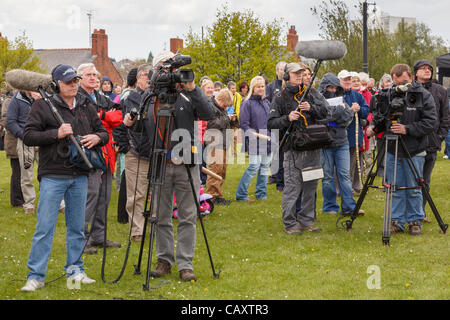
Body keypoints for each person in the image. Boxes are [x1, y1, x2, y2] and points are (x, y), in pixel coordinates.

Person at [123, 50, 215, 282]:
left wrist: (192, 87)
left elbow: (208, 112)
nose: (171, 70)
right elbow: (142, 128)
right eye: (165, 66)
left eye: (173, 65)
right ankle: (164, 259)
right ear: (156, 70)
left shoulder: (187, 94)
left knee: (187, 215)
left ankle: (186, 263)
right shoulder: (151, 97)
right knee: (161, 215)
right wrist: (131, 124)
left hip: (187, 162)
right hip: (160, 162)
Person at [20, 64, 109, 291]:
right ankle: (36, 275)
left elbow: (104, 132)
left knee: (77, 227)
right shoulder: (43, 105)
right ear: (57, 84)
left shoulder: (86, 105)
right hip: (53, 175)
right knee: (45, 227)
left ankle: (75, 269)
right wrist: (55, 134)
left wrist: (96, 138)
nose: (74, 85)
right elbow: (28, 135)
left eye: (76, 80)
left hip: (80, 175)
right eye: (69, 81)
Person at [367, 63, 436, 235]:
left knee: (414, 187)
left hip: (415, 148)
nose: (401, 87)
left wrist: (408, 129)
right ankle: (396, 221)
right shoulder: (389, 94)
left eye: (404, 82)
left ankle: (415, 220)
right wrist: (374, 128)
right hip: (392, 147)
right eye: (397, 83)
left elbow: (430, 122)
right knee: (394, 186)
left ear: (410, 78)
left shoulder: (422, 95)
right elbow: (382, 117)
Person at [267, 62, 329, 235]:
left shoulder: (311, 93)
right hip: (292, 151)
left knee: (310, 187)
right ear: (286, 76)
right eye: (296, 74)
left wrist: (312, 108)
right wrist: (287, 118)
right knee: (293, 188)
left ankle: (307, 220)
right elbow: (271, 123)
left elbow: (326, 112)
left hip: (313, 148)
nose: (299, 77)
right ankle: (290, 223)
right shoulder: (280, 97)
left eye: (301, 74)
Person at [77, 63, 123, 254]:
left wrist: (103, 116)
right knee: (90, 196)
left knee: (104, 196)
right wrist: (105, 120)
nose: (94, 78)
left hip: (107, 152)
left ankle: (98, 236)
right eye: (89, 75)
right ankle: (82, 239)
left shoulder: (102, 97)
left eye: (95, 75)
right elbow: (84, 123)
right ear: (79, 78)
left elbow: (119, 116)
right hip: (88, 153)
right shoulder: (77, 98)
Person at [319, 73, 363, 216]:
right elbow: (323, 118)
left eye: (334, 87)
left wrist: (338, 115)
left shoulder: (342, 98)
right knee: (328, 177)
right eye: (329, 87)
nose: (332, 90)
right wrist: (340, 112)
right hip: (325, 143)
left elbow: (346, 119)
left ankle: (349, 207)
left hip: (342, 142)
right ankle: (330, 206)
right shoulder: (319, 101)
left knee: (344, 175)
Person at [413, 60, 449, 222]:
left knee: (425, 180)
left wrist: (440, 136)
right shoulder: (410, 89)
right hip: (413, 142)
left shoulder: (440, 90)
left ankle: (420, 213)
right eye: (423, 69)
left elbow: (445, 117)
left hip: (432, 142)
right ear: (416, 72)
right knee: (412, 180)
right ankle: (410, 213)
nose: (427, 71)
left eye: (429, 69)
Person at [6, 90, 45, 214]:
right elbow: (10, 121)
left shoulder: (42, 98)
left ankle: (56, 202)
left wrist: (40, 101)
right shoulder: (16, 100)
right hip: (25, 141)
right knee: (26, 174)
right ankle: (29, 204)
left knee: (48, 172)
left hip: (42, 139)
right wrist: (23, 135)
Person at [235, 76, 272, 202]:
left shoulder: (266, 102)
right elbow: (244, 124)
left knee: (265, 166)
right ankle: (241, 194)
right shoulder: (247, 103)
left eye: (262, 86)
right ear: (253, 88)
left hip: (267, 139)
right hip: (254, 140)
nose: (261, 89)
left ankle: (261, 193)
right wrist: (254, 135)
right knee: (254, 167)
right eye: (258, 86)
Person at [338, 70, 369, 195]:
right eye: (345, 79)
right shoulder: (337, 95)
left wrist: (360, 109)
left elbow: (366, 111)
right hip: (338, 135)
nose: (347, 82)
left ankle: (349, 188)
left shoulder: (357, 95)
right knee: (340, 167)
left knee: (353, 164)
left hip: (353, 136)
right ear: (339, 81)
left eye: (348, 79)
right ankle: (340, 189)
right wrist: (351, 110)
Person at [204, 88, 234, 205]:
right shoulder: (210, 107)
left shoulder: (220, 108)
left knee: (222, 170)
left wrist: (232, 119)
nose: (225, 108)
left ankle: (218, 194)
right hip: (215, 143)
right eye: (225, 105)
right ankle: (212, 196)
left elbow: (222, 122)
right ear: (219, 99)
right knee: (215, 170)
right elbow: (212, 124)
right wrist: (227, 118)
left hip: (224, 143)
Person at [266, 61, 287, 188]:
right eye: (281, 69)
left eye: (285, 69)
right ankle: (275, 176)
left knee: (283, 153)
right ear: (276, 71)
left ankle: (281, 177)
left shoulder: (289, 85)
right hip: (275, 124)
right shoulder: (271, 87)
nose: (283, 72)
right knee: (275, 153)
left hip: (286, 125)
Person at [1, 93, 24, 207]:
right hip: (14, 142)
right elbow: (6, 120)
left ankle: (23, 197)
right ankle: (17, 200)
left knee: (25, 172)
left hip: (25, 141)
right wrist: (20, 128)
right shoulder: (9, 101)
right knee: (17, 171)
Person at [227, 81, 241, 157]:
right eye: (232, 88)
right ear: (229, 89)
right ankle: (226, 152)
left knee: (235, 136)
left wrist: (237, 116)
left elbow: (239, 106)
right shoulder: (226, 95)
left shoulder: (238, 96)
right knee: (228, 136)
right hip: (226, 117)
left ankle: (234, 153)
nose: (234, 89)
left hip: (235, 118)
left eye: (235, 88)